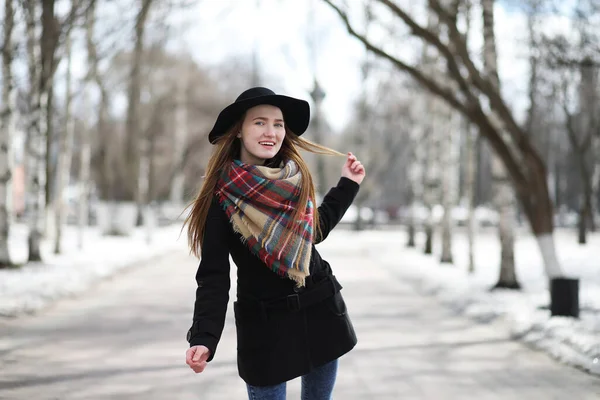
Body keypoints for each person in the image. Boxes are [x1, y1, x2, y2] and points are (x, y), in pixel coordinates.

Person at [183, 86, 365, 400]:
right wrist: (203, 336)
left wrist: (348, 185)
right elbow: (213, 275)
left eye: (278, 124)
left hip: (319, 310)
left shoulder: (295, 179)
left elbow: (312, 234)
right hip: (265, 327)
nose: (271, 132)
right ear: (238, 130)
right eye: (260, 122)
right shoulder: (222, 197)